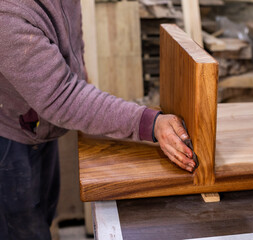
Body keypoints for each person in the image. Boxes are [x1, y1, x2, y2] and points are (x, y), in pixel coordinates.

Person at [0, 1, 196, 239]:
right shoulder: (7, 15)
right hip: (9, 135)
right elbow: (62, 97)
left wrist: (79, 73)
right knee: (22, 229)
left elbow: (73, 35)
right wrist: (149, 123)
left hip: (38, 125)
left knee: (43, 212)